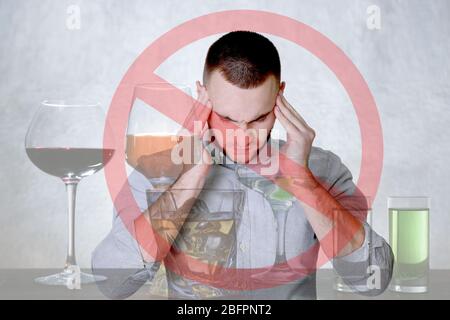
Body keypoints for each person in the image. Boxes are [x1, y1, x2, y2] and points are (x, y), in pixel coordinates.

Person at [92, 31, 393, 299]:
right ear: (202, 97)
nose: (243, 137)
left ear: (279, 96)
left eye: (259, 119)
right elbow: (113, 283)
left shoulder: (321, 168)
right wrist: (191, 177)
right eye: (227, 119)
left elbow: (371, 279)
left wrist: (301, 179)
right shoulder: (156, 171)